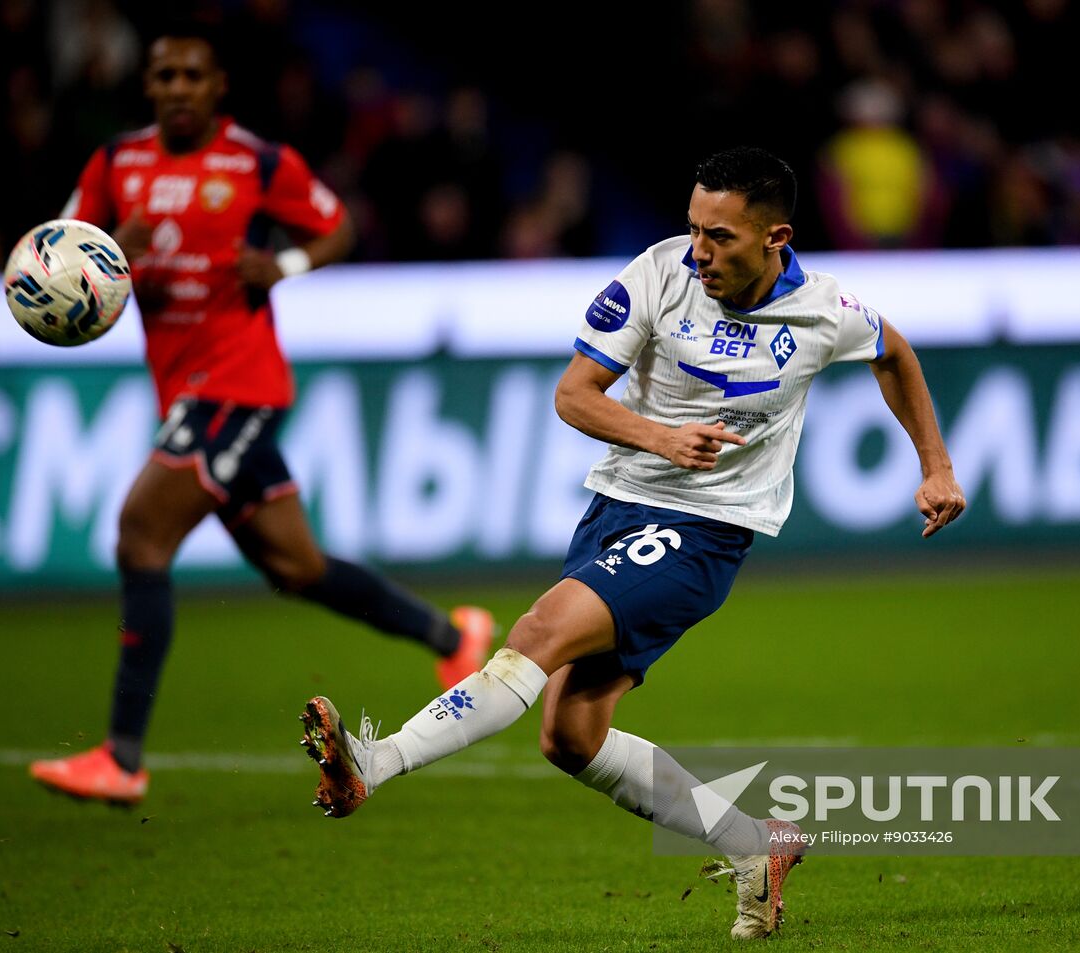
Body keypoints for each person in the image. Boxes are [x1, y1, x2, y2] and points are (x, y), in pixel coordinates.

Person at [298, 147, 965, 939]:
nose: (699, 252)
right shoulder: (657, 275)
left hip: (706, 533)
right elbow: (574, 394)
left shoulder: (825, 310)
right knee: (570, 734)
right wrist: (662, 437)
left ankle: (375, 764)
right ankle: (756, 844)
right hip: (617, 510)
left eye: (719, 237)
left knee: (537, 634)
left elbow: (895, 353)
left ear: (775, 236)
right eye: (692, 229)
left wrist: (935, 466)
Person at [29, 27, 493, 806]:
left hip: (240, 385)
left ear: (218, 89)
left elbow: (335, 226)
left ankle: (122, 756)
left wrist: (280, 265)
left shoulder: (255, 162)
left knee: (142, 531)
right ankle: (455, 637)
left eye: (192, 75)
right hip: (185, 389)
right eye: (164, 74)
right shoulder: (116, 164)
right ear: (148, 86)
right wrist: (115, 252)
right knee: (296, 567)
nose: (177, 86)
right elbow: (66, 254)